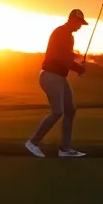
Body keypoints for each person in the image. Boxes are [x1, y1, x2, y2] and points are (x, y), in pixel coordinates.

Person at [25, 9, 89, 158]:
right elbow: (63, 59)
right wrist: (80, 68)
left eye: (81, 24)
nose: (80, 26)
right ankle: (33, 143)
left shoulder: (64, 33)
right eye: (79, 23)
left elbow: (65, 55)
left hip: (59, 76)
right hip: (51, 76)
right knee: (58, 111)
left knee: (70, 110)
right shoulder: (64, 34)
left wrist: (77, 61)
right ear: (72, 20)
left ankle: (65, 149)